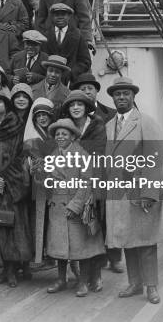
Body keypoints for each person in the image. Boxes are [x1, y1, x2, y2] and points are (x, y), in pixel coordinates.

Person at [104, 77, 163, 304]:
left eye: (125, 94)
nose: (121, 97)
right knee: (127, 239)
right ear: (112, 98)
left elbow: (154, 159)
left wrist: (149, 193)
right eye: (117, 94)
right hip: (118, 193)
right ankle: (135, 283)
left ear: (133, 96)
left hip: (141, 190)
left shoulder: (145, 122)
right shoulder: (109, 125)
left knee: (146, 240)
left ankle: (151, 287)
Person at [44, 119, 105, 297]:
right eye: (57, 134)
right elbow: (47, 181)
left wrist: (75, 206)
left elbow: (87, 183)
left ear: (72, 136)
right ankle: (61, 280)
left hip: (74, 208)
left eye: (64, 133)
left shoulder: (83, 155)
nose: (60, 136)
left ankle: (83, 281)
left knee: (81, 248)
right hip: (56, 207)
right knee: (59, 246)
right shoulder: (53, 154)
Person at [69, 74, 122, 274]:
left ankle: (115, 258)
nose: (87, 91)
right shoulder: (69, 119)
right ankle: (92, 263)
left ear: (96, 90)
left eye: (90, 88)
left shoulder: (109, 114)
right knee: (90, 219)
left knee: (108, 219)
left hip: (104, 173)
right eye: (82, 88)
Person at [0, 92, 32, 288]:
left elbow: (21, 155)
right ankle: (3, 267)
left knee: (12, 226)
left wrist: (6, 177)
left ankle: (12, 269)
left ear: (6, 105)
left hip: (11, 184)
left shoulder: (16, 126)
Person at [60, 90, 107, 291]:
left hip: (94, 184)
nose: (76, 108)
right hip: (73, 186)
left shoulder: (97, 126)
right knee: (78, 232)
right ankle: (81, 274)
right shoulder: (67, 128)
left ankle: (95, 274)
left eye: (80, 104)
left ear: (87, 107)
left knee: (93, 229)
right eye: (72, 105)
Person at [22, 98, 56, 266]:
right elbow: (30, 159)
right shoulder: (31, 138)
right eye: (39, 115)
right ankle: (38, 254)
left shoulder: (55, 134)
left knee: (53, 218)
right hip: (37, 182)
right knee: (37, 216)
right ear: (34, 118)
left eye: (45, 115)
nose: (42, 118)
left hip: (55, 180)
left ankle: (52, 253)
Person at [42, 3, 91, 85]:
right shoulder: (45, 36)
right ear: (52, 17)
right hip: (49, 81)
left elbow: (85, 61)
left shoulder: (78, 35)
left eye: (63, 14)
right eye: (57, 14)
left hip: (70, 82)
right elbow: (42, 59)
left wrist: (70, 73)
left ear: (69, 16)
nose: (60, 17)